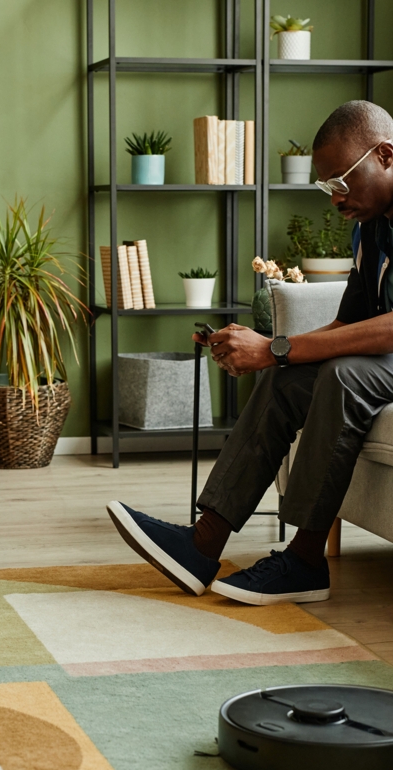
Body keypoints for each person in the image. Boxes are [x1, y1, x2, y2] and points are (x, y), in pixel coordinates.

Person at [107, 100, 393, 606]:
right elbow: (350, 321)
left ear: (386, 155)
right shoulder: (370, 226)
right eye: (326, 186)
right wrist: (274, 356)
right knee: (290, 377)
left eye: (342, 181)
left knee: (343, 376)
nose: (335, 198)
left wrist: (277, 347)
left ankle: (304, 559)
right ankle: (202, 543)